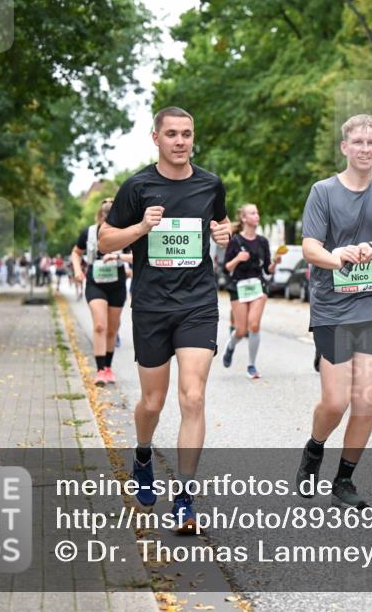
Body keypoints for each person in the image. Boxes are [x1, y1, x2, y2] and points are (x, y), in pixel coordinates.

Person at [99, 106, 230, 532]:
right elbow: (105, 241)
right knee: (152, 403)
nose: (180, 141)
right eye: (171, 133)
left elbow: (222, 224)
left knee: (192, 397)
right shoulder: (138, 186)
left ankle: (186, 498)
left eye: (187, 134)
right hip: (152, 307)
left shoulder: (211, 184)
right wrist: (139, 228)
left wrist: (223, 235)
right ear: (155, 138)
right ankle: (141, 454)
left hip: (197, 304)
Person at [295, 114, 372, 509]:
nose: (364, 149)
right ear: (344, 147)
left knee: (366, 398)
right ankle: (314, 449)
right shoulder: (323, 191)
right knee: (336, 401)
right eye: (356, 142)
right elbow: (310, 248)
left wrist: (371, 248)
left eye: (370, 143)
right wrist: (336, 256)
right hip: (332, 307)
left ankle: (344, 479)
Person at [71, 198, 133, 386]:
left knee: (112, 328)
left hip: (117, 284)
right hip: (95, 283)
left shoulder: (125, 233)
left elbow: (136, 256)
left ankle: (108, 368)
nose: (108, 219)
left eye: (112, 215)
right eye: (105, 216)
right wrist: (77, 271)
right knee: (100, 325)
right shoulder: (89, 233)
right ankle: (99, 371)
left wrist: (117, 256)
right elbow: (76, 253)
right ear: (100, 215)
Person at [221, 203, 284, 379]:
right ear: (244, 218)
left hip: (258, 285)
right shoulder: (234, 241)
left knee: (254, 325)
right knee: (241, 330)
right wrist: (238, 259)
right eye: (253, 213)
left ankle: (251, 365)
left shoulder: (262, 241)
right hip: (238, 286)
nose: (257, 215)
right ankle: (231, 346)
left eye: (257, 212)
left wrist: (274, 264)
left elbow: (267, 270)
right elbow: (226, 269)